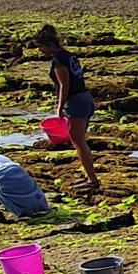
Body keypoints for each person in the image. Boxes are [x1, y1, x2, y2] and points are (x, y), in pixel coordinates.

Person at [29, 25, 102, 194]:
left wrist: (60, 107)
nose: (40, 51)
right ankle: (89, 175)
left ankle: (92, 180)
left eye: (41, 47)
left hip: (75, 102)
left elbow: (64, 84)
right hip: (85, 98)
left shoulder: (58, 60)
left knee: (78, 142)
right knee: (79, 140)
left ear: (48, 45)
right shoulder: (70, 56)